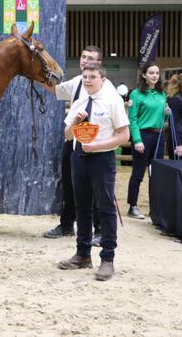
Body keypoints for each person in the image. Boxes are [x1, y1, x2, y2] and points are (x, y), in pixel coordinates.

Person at [58, 64, 130, 282]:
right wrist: (76, 122)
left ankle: (107, 259)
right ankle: (82, 254)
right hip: (78, 157)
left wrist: (97, 147)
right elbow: (67, 134)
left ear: (102, 78)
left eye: (92, 77)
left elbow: (124, 135)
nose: (88, 80)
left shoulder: (112, 100)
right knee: (82, 207)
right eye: (85, 76)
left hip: (102, 159)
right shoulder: (79, 100)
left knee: (105, 207)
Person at [41, 46, 114, 244]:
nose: (84, 60)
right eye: (82, 56)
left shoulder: (108, 89)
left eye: (89, 58)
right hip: (73, 141)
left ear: (99, 64)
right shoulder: (76, 82)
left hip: (97, 145)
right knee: (69, 185)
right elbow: (56, 90)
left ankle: (99, 230)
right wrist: (34, 76)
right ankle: (66, 225)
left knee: (98, 189)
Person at [125, 62, 168, 220]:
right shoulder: (136, 94)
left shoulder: (162, 94)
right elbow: (133, 119)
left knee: (156, 174)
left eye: (157, 73)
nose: (155, 76)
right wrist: (137, 139)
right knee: (138, 173)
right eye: (151, 73)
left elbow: (164, 116)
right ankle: (133, 206)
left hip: (159, 136)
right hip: (143, 136)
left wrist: (168, 113)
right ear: (144, 75)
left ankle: (155, 207)